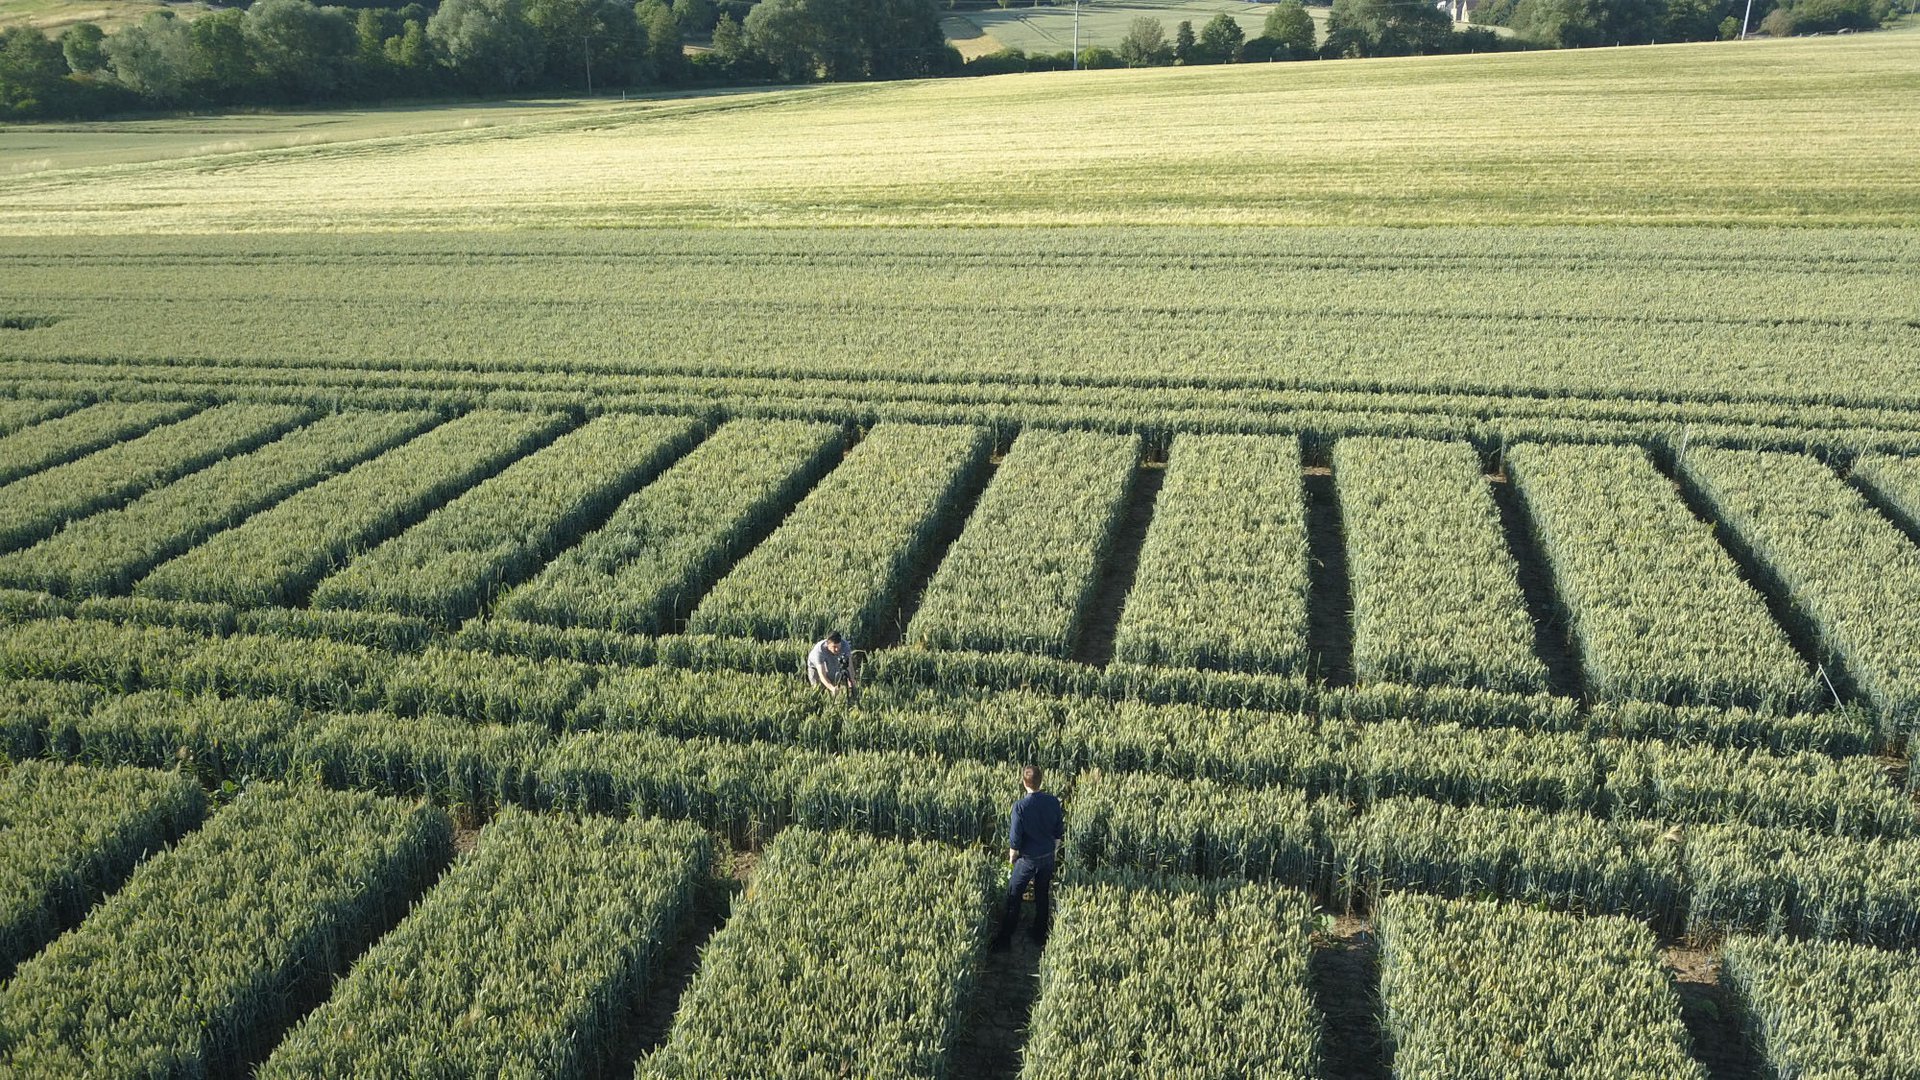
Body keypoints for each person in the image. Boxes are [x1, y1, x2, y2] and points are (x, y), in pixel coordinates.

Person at [991, 764, 1064, 952]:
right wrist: (1052, 852)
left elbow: (1015, 840)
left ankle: (1005, 938)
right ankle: (1039, 934)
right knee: (1042, 894)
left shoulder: (1020, 807)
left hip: (1027, 859)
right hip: (1047, 856)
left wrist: (1012, 858)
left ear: (1024, 783)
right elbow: (1058, 833)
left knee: (1014, 895)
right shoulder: (1053, 801)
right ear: (1042, 780)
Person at [805, 630, 854, 696]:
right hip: (815, 667)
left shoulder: (845, 646)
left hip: (834, 659)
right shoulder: (819, 651)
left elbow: (849, 666)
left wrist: (851, 680)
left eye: (838, 646)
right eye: (834, 647)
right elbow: (822, 675)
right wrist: (832, 688)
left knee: (836, 680)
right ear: (828, 645)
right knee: (817, 689)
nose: (837, 649)